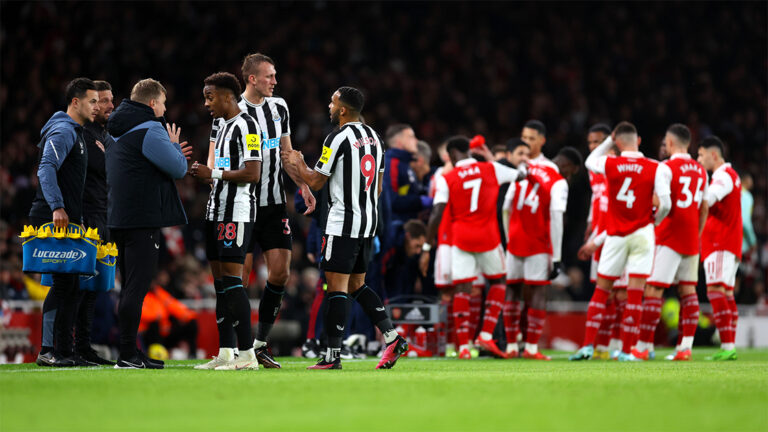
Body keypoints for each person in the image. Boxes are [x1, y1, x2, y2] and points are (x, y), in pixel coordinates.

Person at [283, 86, 408, 370]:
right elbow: (377, 188)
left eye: (332, 102)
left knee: (336, 287)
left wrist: (299, 164)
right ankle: (392, 337)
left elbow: (315, 182)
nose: (329, 105)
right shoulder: (376, 138)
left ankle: (331, 355)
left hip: (343, 223)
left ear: (342, 110)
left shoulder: (337, 137)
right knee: (356, 284)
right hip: (367, 223)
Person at [209, 54, 315, 367]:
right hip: (241, 206)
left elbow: (287, 153)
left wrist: (303, 186)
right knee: (236, 278)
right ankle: (229, 350)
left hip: (272, 204)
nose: (275, 81)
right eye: (269, 76)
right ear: (252, 79)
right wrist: (220, 184)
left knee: (281, 272)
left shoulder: (279, 107)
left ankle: (259, 343)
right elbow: (215, 158)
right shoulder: (227, 110)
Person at [106, 78, 191, 369]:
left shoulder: (114, 128)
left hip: (118, 217)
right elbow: (178, 168)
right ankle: (128, 354)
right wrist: (175, 146)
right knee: (136, 288)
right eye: (163, 104)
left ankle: (129, 351)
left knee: (129, 286)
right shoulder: (151, 128)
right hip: (143, 218)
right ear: (152, 103)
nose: (165, 110)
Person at [571, 121, 671, 361]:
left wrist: (608, 141)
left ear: (616, 142)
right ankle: (627, 351)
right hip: (642, 234)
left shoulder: (610, 162)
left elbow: (589, 161)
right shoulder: (656, 167)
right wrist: (653, 222)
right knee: (635, 294)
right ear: (638, 141)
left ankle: (587, 346)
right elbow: (666, 203)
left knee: (602, 291)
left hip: (615, 235)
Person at [36, 80, 116, 367]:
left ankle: (64, 351)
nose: (97, 107)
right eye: (93, 101)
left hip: (72, 218)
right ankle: (51, 350)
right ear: (75, 102)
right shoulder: (63, 130)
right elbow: (46, 167)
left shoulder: (78, 133)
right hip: (57, 216)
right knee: (64, 285)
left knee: (71, 285)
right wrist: (57, 206)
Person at [427, 136, 525, 360]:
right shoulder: (491, 168)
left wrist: (426, 244)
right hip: (489, 237)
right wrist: (492, 159)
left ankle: (463, 347)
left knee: (462, 288)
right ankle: (486, 334)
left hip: (461, 239)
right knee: (498, 280)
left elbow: (437, 212)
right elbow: (520, 174)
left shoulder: (446, 177)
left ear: (452, 156)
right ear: (469, 152)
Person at [191, 72, 262, 370]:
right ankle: (226, 352)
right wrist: (205, 173)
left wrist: (215, 175)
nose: (206, 103)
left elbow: (252, 172)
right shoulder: (219, 125)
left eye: (210, 97)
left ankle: (248, 355)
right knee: (220, 284)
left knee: (233, 282)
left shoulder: (249, 126)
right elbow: (216, 165)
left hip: (237, 212)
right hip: (214, 210)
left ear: (228, 96)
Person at [634, 124, 708, 361]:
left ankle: (644, 347)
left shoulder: (665, 168)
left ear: (671, 143)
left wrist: (655, 223)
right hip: (690, 238)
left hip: (669, 235)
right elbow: (704, 207)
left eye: (666, 141)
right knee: (688, 292)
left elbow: (664, 204)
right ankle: (685, 348)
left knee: (654, 289)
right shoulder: (701, 170)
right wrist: (697, 233)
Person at [500, 146, 581, 360]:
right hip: (538, 243)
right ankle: (531, 348)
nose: (569, 177)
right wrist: (556, 258)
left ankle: (510, 347)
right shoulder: (558, 181)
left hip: (515, 240)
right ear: (567, 165)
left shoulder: (525, 168)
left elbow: (506, 206)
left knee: (513, 290)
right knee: (538, 293)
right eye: (571, 173)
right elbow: (556, 220)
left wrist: (509, 238)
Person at [698, 136, 743, 361]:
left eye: (701, 155)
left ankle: (726, 345)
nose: (699, 159)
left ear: (713, 155)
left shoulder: (722, 176)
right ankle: (729, 345)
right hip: (729, 242)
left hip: (720, 241)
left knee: (716, 290)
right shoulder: (732, 176)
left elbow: (709, 198)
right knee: (725, 292)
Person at [384, 124, 432, 224]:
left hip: (408, 224)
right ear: (399, 142)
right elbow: (391, 200)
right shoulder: (391, 164)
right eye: (411, 137)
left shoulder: (404, 163)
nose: (416, 141)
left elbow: (405, 192)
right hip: (397, 227)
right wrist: (420, 201)